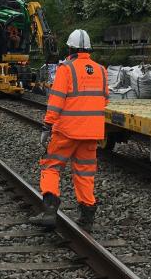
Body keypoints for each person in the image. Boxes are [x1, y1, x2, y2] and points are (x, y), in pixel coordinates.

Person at [30, 29, 108, 230]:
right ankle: (87, 216)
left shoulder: (66, 69)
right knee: (85, 173)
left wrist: (47, 125)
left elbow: (56, 101)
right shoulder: (101, 70)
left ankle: (49, 210)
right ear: (88, 48)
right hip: (92, 134)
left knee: (51, 166)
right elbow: (104, 99)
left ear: (71, 48)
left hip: (66, 132)